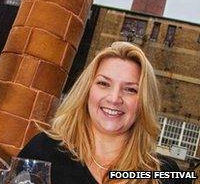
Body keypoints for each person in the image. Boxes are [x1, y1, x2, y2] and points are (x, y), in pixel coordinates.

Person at [19, 41, 191, 184]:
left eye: (130, 89)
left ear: (144, 103)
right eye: (103, 84)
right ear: (87, 91)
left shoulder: (166, 174)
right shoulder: (43, 150)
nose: (114, 98)